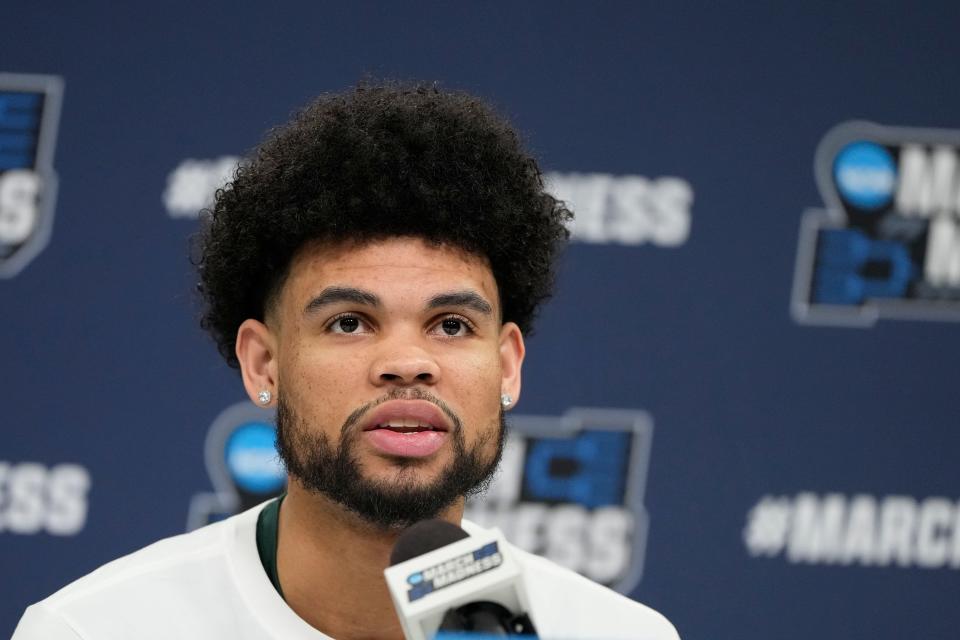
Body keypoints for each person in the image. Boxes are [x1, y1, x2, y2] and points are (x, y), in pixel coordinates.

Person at [13, 82, 679, 640]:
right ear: (263, 365)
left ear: (507, 366)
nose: (408, 363)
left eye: (450, 324)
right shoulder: (93, 630)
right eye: (350, 322)